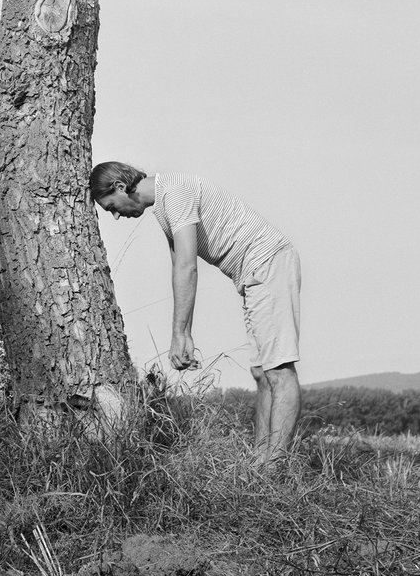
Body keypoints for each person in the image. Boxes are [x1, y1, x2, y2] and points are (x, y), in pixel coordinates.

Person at [89, 162, 301, 465]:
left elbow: (188, 266)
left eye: (112, 207)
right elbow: (179, 268)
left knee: (278, 370)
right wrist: (182, 332)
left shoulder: (175, 193)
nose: (116, 216)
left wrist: (180, 334)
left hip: (268, 263)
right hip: (253, 275)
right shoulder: (163, 205)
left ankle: (276, 467)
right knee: (262, 372)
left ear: (120, 187)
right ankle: (260, 462)